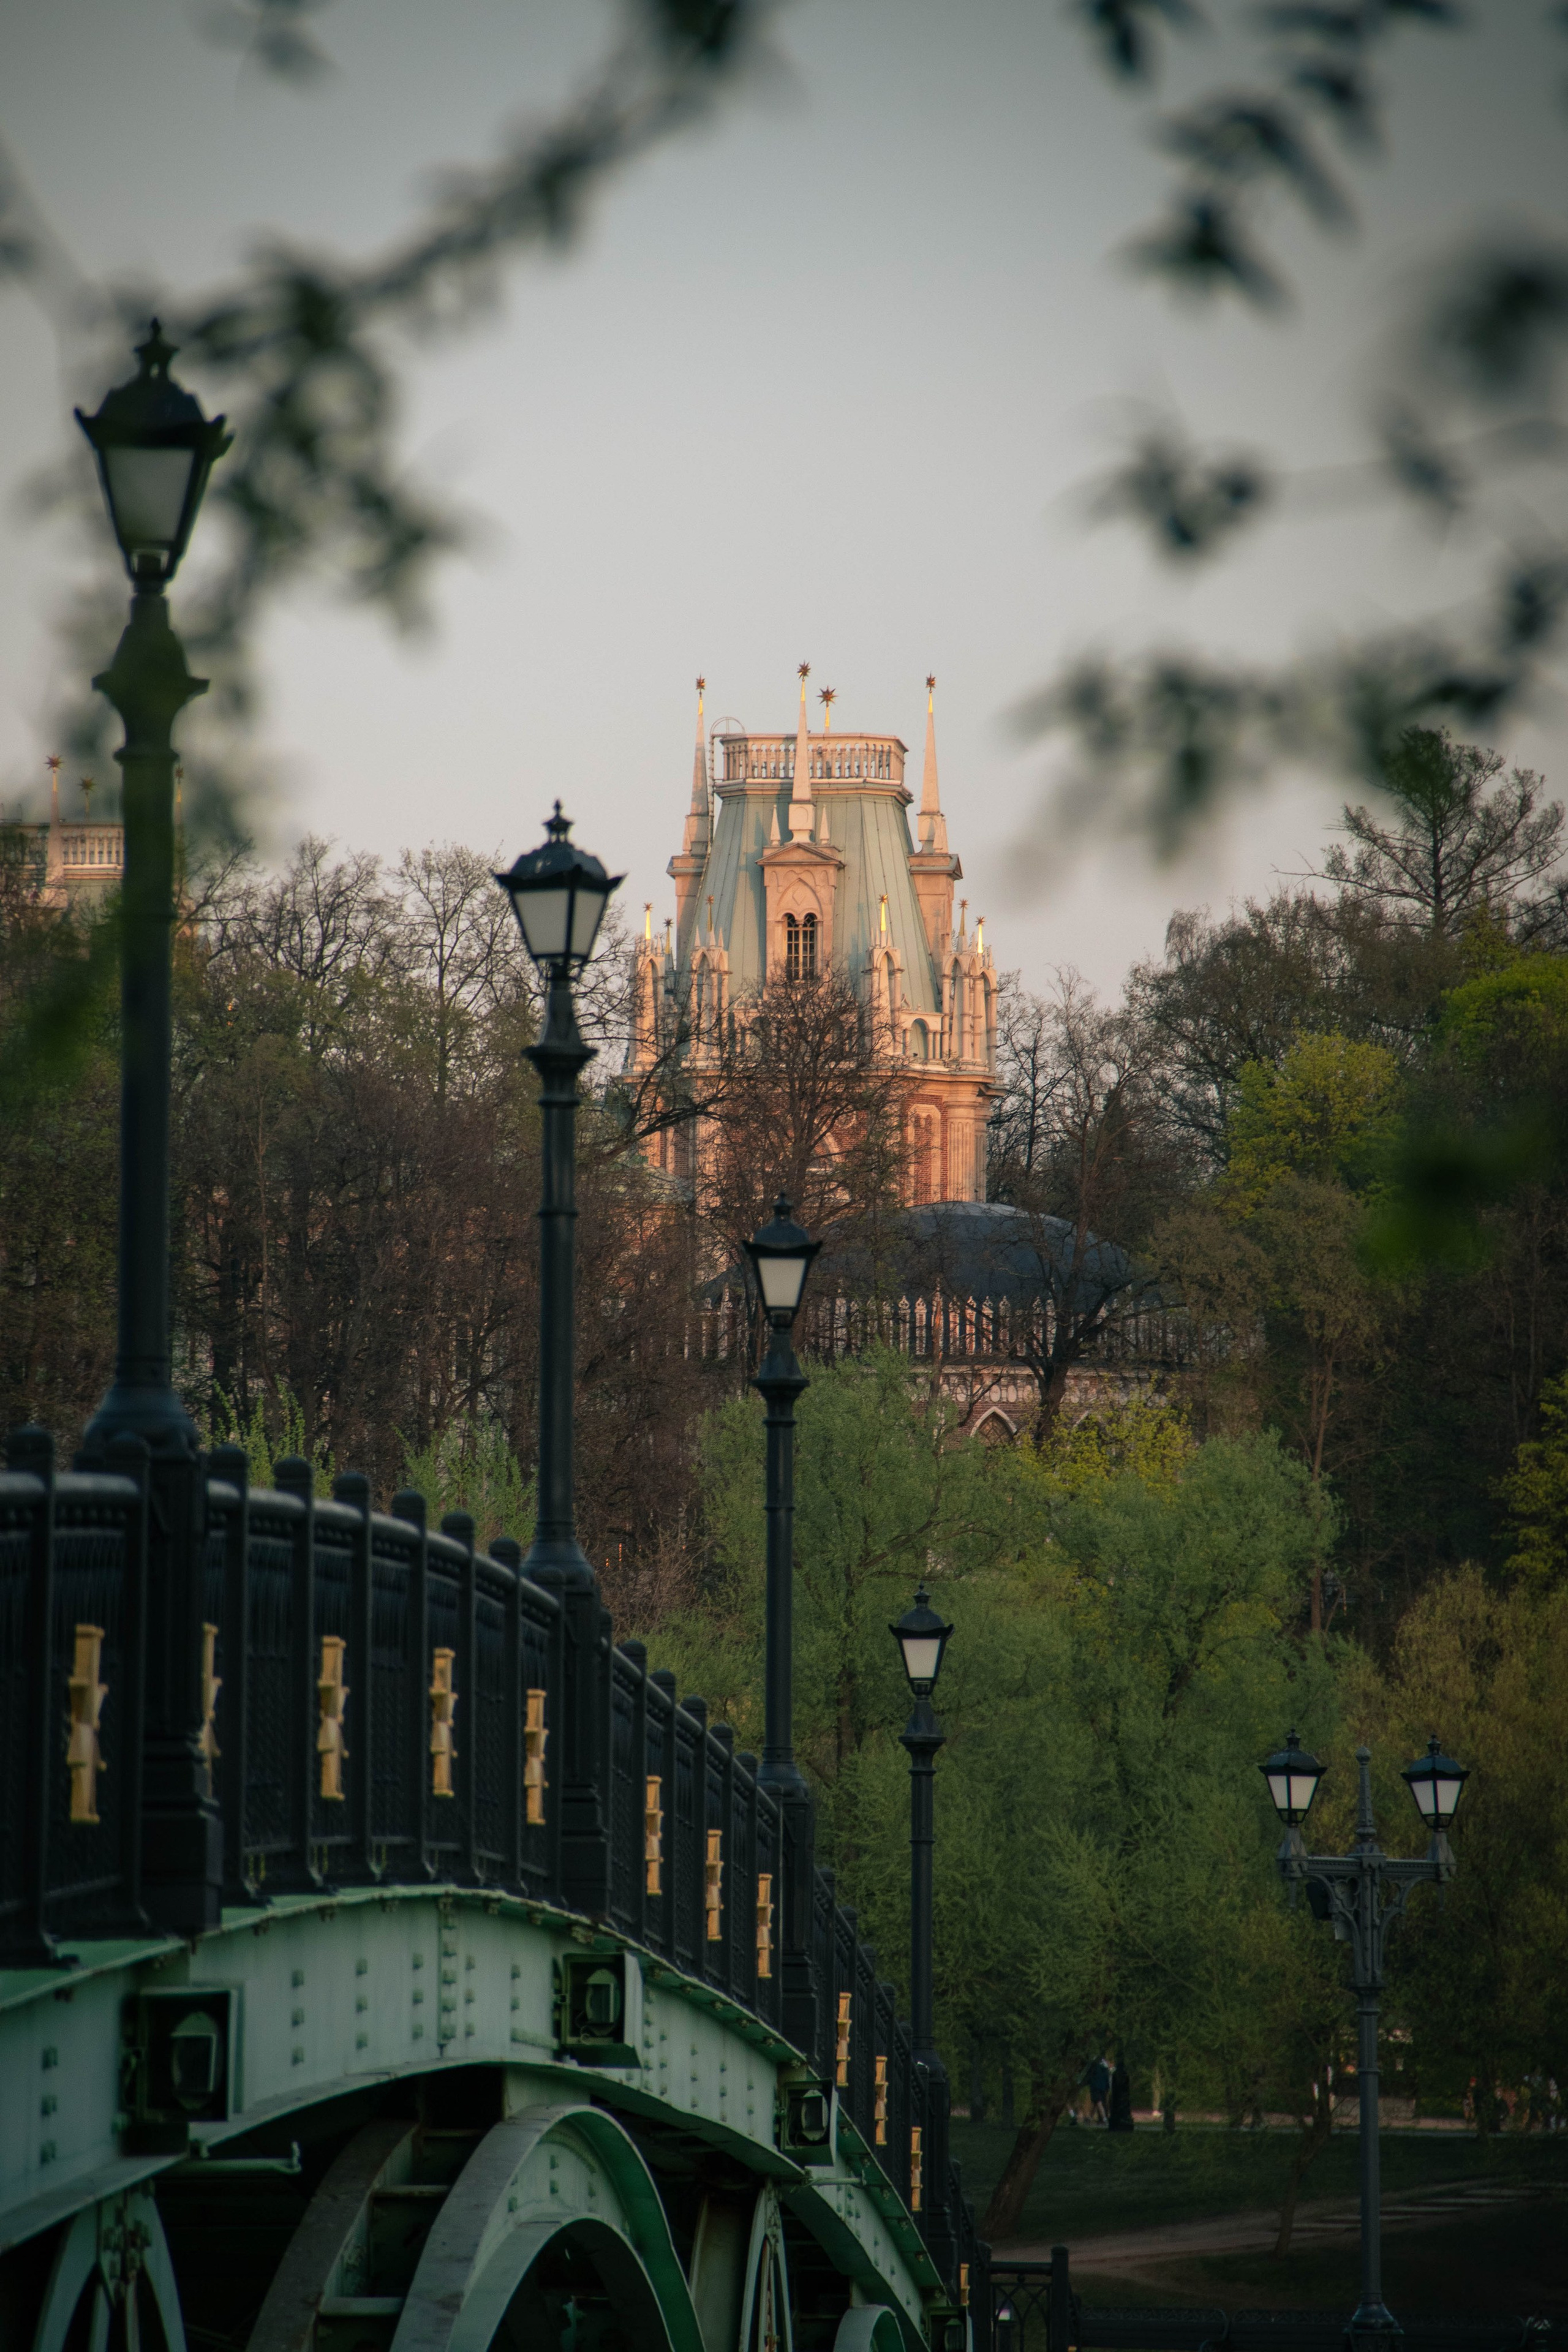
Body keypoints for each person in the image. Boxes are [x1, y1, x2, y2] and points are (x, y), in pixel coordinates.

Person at [1087, 2054, 1110, 2127]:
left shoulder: (1094, 2065)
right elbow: (1107, 2078)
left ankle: (1104, 2119)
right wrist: (1107, 2088)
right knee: (1095, 2103)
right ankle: (1089, 2118)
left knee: (1098, 2103)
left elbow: (1090, 2075)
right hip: (1103, 2087)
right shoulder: (1105, 2066)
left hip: (1095, 2087)